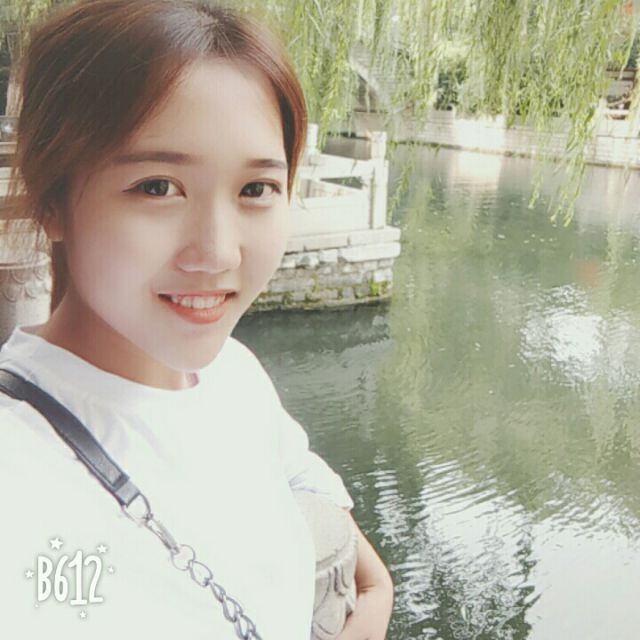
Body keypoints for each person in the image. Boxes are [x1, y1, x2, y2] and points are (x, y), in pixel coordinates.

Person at [0, 1, 394, 638]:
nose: (218, 253)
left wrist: (377, 596)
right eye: (158, 186)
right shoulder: (18, 467)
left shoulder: (234, 376)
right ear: (52, 200)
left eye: (255, 190)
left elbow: (325, 508)